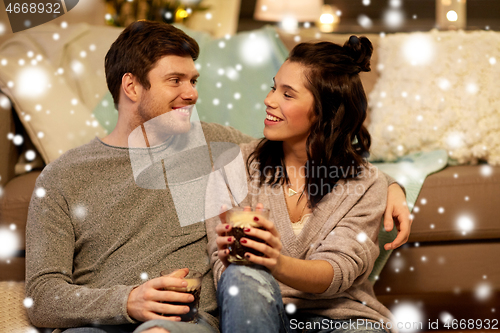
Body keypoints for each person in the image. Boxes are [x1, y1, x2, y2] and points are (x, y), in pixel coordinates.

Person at [25, 20, 409, 333]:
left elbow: (320, 153)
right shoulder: (62, 177)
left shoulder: (215, 144)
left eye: (194, 81)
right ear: (131, 86)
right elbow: (42, 296)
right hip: (98, 323)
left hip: (181, 322)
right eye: (175, 81)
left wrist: (392, 186)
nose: (191, 94)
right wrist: (126, 301)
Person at [209, 36, 396, 333]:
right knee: (241, 275)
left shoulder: (367, 185)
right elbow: (226, 271)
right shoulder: (235, 166)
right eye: (274, 87)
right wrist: (241, 257)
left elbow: (339, 271)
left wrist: (276, 261)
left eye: (288, 94)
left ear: (325, 111)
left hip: (340, 319)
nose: (269, 100)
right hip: (258, 313)